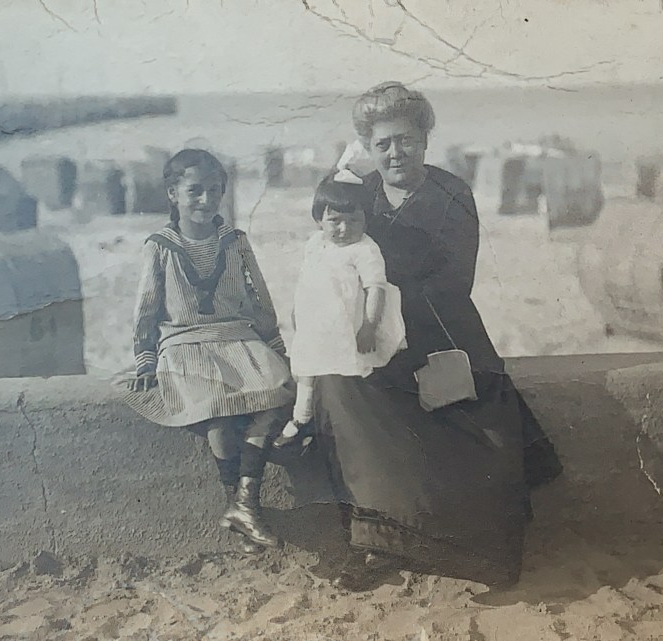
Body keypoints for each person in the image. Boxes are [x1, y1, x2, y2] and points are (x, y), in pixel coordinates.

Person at [307, 81, 564, 589]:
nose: (394, 152)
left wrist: (379, 268)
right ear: (368, 148)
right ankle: (372, 542)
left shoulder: (452, 193)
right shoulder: (363, 193)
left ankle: (467, 554)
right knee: (337, 393)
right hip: (380, 333)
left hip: (443, 331)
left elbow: (452, 280)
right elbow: (327, 236)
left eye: (404, 139)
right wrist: (339, 174)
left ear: (424, 139)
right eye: (381, 144)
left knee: (477, 422)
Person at [120, 148, 294, 554]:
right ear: (172, 194)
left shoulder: (235, 241)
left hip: (237, 336)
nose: (205, 199)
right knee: (216, 408)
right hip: (184, 343)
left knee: (280, 392)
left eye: (214, 190)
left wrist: (275, 346)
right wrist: (145, 359)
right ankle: (241, 505)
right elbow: (146, 306)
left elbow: (259, 298)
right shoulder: (160, 245)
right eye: (194, 191)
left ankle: (244, 503)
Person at [274, 174, 406, 447]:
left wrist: (369, 326)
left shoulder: (365, 250)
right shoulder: (315, 243)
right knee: (307, 364)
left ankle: (345, 423)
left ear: (365, 219)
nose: (345, 228)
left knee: (351, 370)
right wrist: (297, 312)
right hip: (317, 319)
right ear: (319, 219)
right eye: (335, 221)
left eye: (354, 220)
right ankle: (301, 416)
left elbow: (376, 289)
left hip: (348, 322)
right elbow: (306, 279)